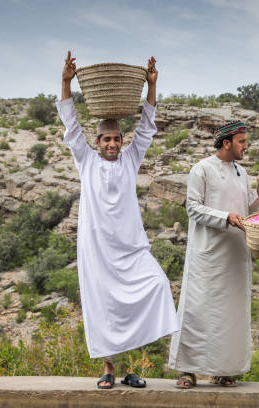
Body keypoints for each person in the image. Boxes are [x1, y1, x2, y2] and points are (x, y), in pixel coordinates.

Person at [57, 51, 178, 389]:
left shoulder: (130, 158)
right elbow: (70, 122)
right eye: (106, 139)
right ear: (96, 143)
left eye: (116, 139)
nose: (112, 143)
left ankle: (134, 367)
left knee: (154, 286)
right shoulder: (86, 161)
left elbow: (147, 126)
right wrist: (66, 81)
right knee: (105, 306)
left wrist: (152, 86)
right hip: (97, 249)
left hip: (131, 248)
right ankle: (110, 369)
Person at [168, 121, 259, 388]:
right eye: (241, 141)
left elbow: (243, 209)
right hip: (207, 255)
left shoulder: (242, 173)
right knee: (197, 311)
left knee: (230, 314)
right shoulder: (201, 169)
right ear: (226, 143)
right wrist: (224, 217)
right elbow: (193, 208)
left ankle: (223, 370)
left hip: (235, 255)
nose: (246, 146)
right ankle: (187, 371)